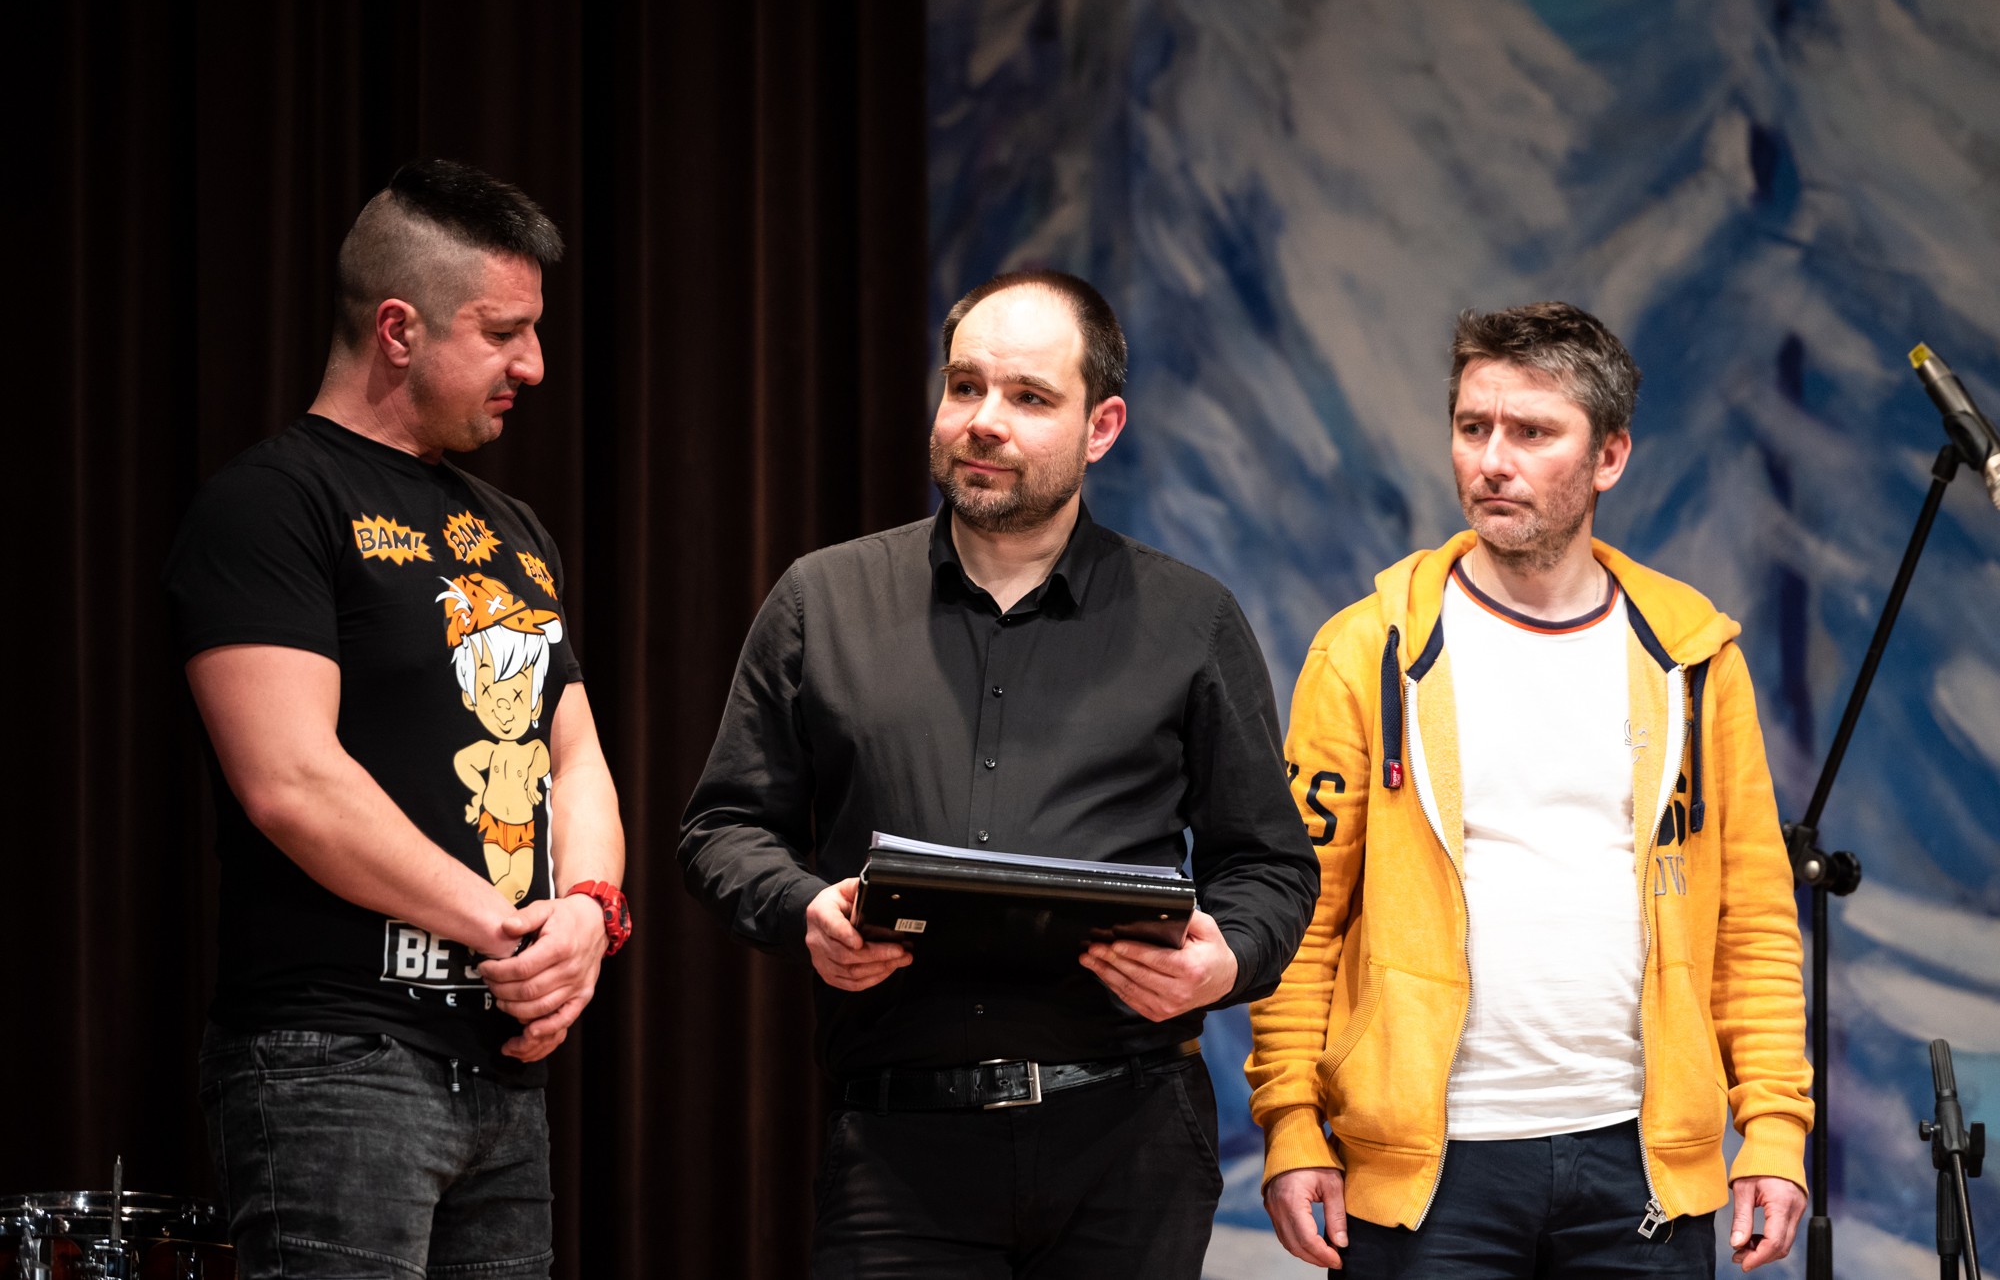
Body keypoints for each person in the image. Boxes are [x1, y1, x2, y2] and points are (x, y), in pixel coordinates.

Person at [680, 269, 1320, 1277]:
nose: (983, 420)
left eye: (1028, 396)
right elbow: (721, 827)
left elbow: (1270, 865)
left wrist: (1223, 961)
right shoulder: (821, 599)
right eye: (964, 385)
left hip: (1130, 1143)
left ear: (1101, 426)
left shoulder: (1191, 620)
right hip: (897, 1151)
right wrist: (802, 907)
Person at [1249, 302, 1813, 1277]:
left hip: (1640, 1161)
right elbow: (1301, 912)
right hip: (1428, 1172)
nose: (1491, 460)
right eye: (1472, 427)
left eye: (1532, 432)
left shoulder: (1690, 657)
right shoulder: (1366, 650)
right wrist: (1293, 1120)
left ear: (1609, 456)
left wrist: (1772, 1122)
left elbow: (1752, 920)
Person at [166, 158, 631, 1280]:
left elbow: (573, 754)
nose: (534, 363)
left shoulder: (512, 526)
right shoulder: (273, 504)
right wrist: (506, 929)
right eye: (503, 332)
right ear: (397, 329)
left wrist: (589, 912)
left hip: (501, 1065)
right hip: (334, 1059)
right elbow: (292, 781)